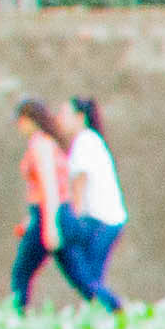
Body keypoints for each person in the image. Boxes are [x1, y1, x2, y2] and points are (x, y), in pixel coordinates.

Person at [56, 94, 129, 311]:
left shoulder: (85, 141)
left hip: (102, 221)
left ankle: (116, 309)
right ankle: (105, 314)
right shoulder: (89, 140)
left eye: (64, 114)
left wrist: (73, 219)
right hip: (104, 220)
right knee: (90, 278)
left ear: (80, 117)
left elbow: (80, 181)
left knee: (89, 279)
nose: (59, 119)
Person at [8, 100, 76, 312]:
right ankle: (114, 308)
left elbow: (49, 186)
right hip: (43, 213)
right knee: (79, 274)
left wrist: (50, 225)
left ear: (29, 121)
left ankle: (15, 315)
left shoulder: (41, 144)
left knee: (21, 272)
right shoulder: (47, 143)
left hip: (47, 213)